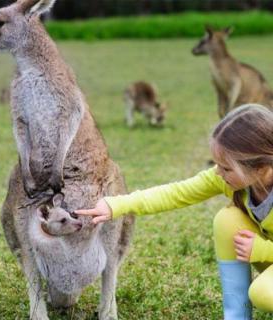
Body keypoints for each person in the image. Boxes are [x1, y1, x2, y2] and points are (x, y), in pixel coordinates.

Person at [76, 104, 273, 320]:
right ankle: (237, 317)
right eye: (217, 164)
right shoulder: (235, 181)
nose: (218, 172)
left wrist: (263, 251)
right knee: (227, 220)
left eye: (226, 168)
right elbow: (176, 193)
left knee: (263, 293)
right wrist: (118, 205)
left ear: (262, 169)